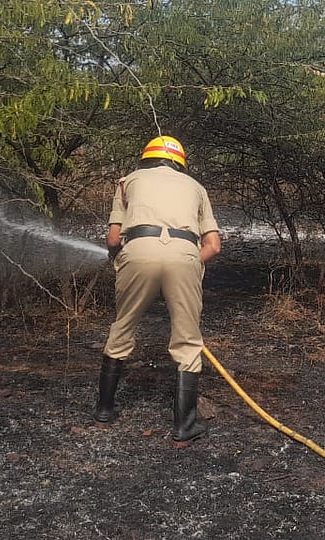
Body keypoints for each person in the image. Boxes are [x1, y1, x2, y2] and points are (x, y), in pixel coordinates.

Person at [93, 135, 222, 446]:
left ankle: (105, 412)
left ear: (146, 158)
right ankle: (184, 427)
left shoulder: (127, 182)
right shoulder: (196, 188)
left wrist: (122, 260)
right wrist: (189, 264)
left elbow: (113, 240)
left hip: (137, 250)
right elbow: (214, 246)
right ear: (179, 162)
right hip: (184, 253)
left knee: (122, 327)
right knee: (188, 341)